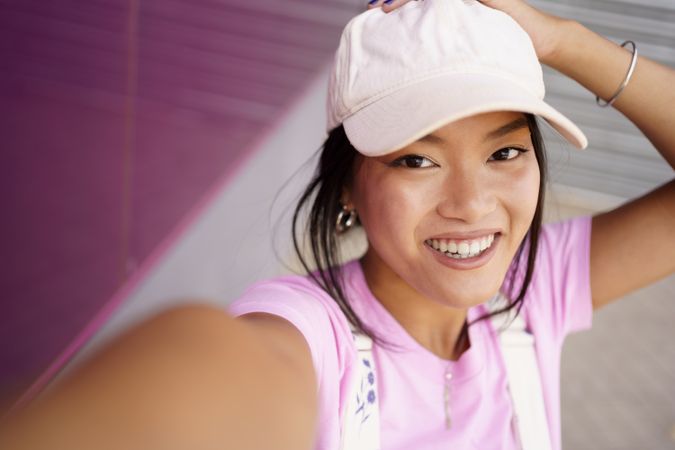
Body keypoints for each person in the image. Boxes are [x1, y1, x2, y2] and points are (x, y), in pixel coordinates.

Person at [1, 0, 673, 449]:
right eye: (416, 158)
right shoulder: (308, 334)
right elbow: (215, 369)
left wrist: (565, 40)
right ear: (348, 185)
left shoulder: (533, 288)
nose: (471, 203)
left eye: (503, 152)